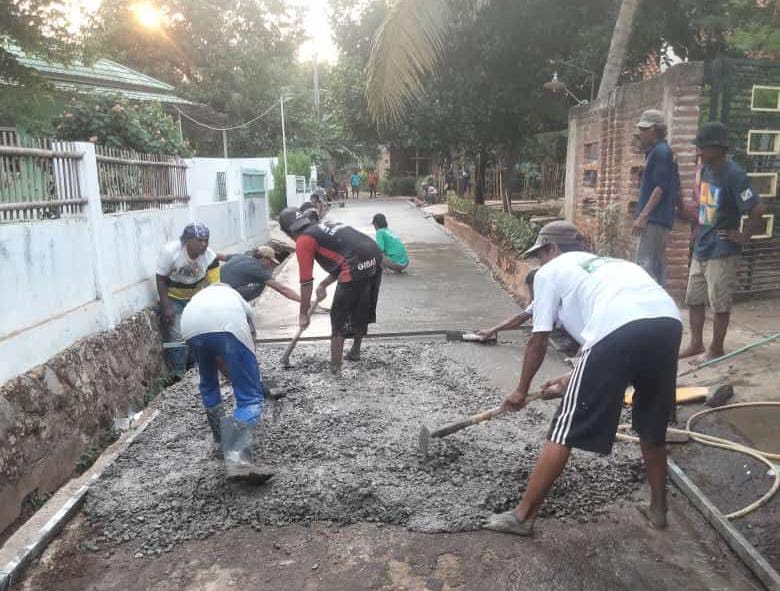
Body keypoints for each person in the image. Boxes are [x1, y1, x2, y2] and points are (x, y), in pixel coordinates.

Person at [483, 221, 682, 537]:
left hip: (619, 327)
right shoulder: (609, 265)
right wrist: (569, 381)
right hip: (667, 323)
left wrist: (521, 391)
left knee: (564, 428)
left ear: (553, 249)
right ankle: (658, 510)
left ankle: (522, 517)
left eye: (540, 255)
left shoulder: (550, 272)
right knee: (651, 424)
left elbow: (539, 339)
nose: (539, 263)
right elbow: (607, 352)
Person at [679, 122, 765, 363]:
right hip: (702, 245)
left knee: (719, 303)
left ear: (718, 148)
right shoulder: (706, 170)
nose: (699, 151)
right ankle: (696, 343)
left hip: (722, 250)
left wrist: (744, 235)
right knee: (694, 298)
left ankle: (716, 348)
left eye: (703, 147)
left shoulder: (734, 175)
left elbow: (757, 209)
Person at [181, 283, 274, 484]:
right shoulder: (239, 301)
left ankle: (221, 443)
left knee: (209, 384)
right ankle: (237, 459)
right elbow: (250, 341)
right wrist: (249, 374)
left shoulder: (203, 296)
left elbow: (218, 356)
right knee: (250, 397)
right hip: (228, 326)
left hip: (189, 326)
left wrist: (231, 368)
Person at [279, 207, 382, 374]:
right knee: (361, 306)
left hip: (356, 261)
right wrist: (324, 285)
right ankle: (355, 351)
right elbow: (342, 259)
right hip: (374, 254)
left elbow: (306, 282)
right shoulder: (322, 227)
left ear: (287, 232)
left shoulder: (304, 240)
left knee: (338, 317)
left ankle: (335, 368)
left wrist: (303, 314)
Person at [156, 222, 220, 375]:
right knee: (177, 336)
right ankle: (178, 373)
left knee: (194, 332)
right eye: (199, 240)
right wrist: (166, 305)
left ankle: (193, 368)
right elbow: (160, 278)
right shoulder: (171, 252)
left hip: (195, 299)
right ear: (187, 240)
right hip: (173, 297)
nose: (203, 244)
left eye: (206, 240)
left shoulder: (210, 258)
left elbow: (215, 287)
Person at [632, 109, 680, 286]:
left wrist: (643, 216)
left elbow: (661, 187)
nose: (641, 133)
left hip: (654, 219)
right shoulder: (657, 152)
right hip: (656, 218)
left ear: (655, 130)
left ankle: (649, 300)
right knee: (654, 265)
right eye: (641, 129)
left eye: (645, 129)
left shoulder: (661, 152)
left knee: (645, 268)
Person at [220, 246, 301, 303]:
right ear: (264, 259)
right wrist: (303, 301)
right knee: (261, 284)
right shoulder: (258, 271)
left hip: (215, 286)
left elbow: (220, 256)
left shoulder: (239, 256)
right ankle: (239, 304)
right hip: (225, 295)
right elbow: (283, 289)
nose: (270, 265)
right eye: (271, 262)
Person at [476, 270, 536, 340]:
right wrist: (492, 330)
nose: (530, 292)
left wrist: (491, 330)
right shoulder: (538, 300)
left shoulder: (541, 301)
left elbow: (518, 320)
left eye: (530, 289)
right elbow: (519, 319)